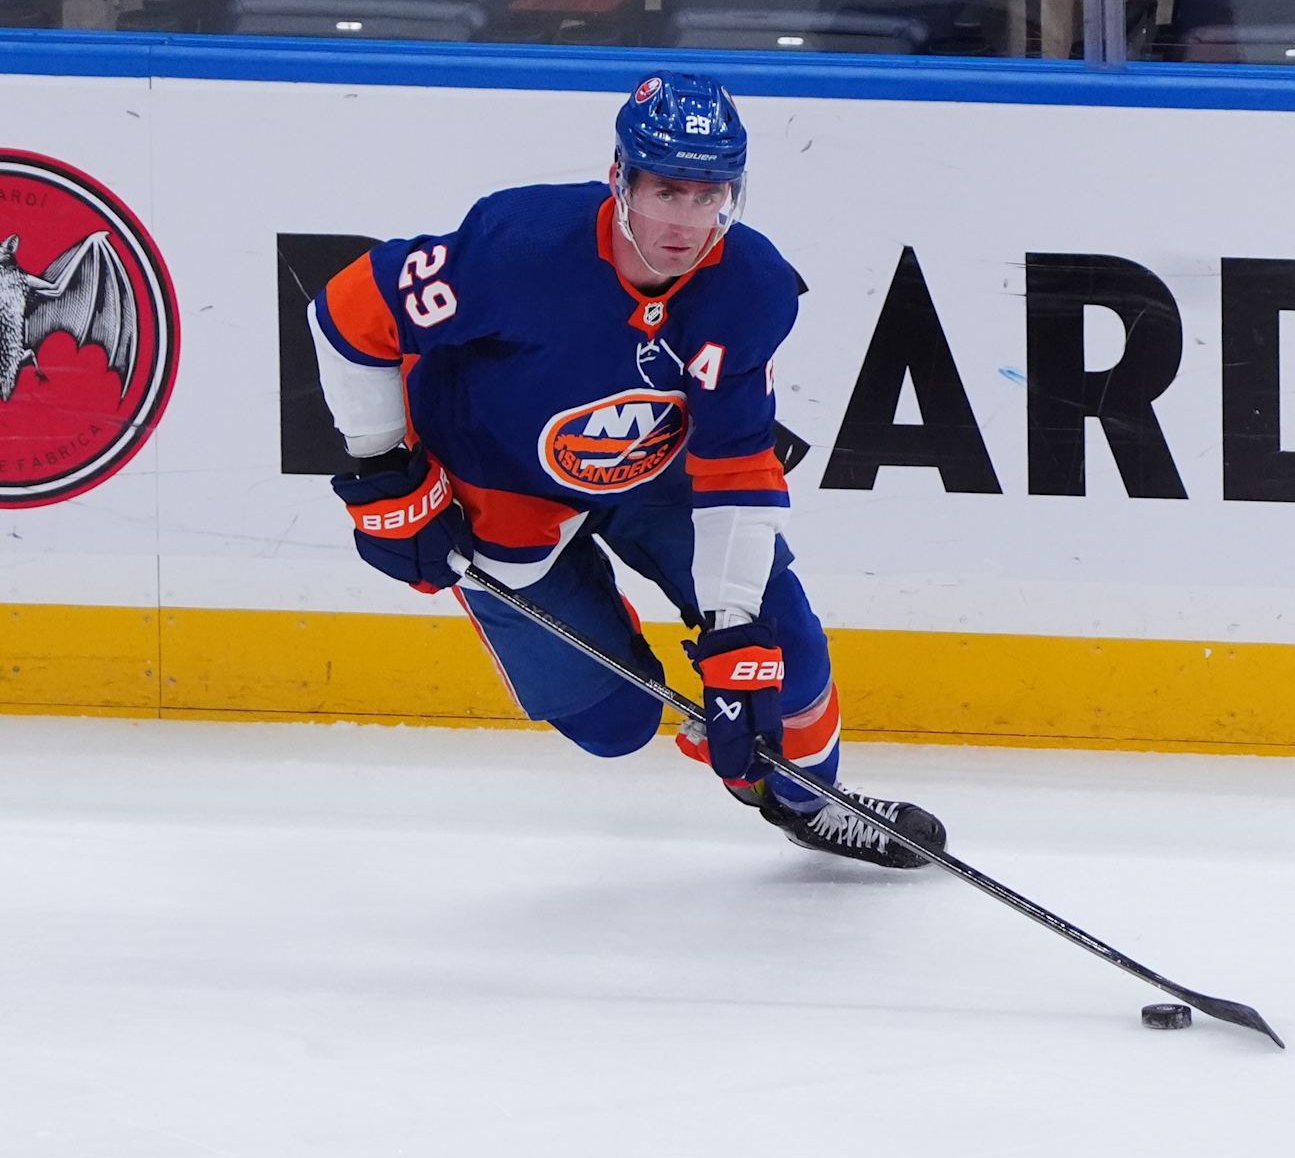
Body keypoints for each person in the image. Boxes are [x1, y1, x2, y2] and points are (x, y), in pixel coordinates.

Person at [309, 71, 945, 869]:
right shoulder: (523, 244)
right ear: (622, 179)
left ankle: (805, 803)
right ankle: (628, 663)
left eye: (708, 194)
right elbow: (345, 312)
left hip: (658, 471)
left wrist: (734, 634)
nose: (686, 221)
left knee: (785, 654)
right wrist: (385, 471)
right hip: (493, 484)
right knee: (616, 725)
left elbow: (739, 467)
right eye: (667, 191)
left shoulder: (750, 287)